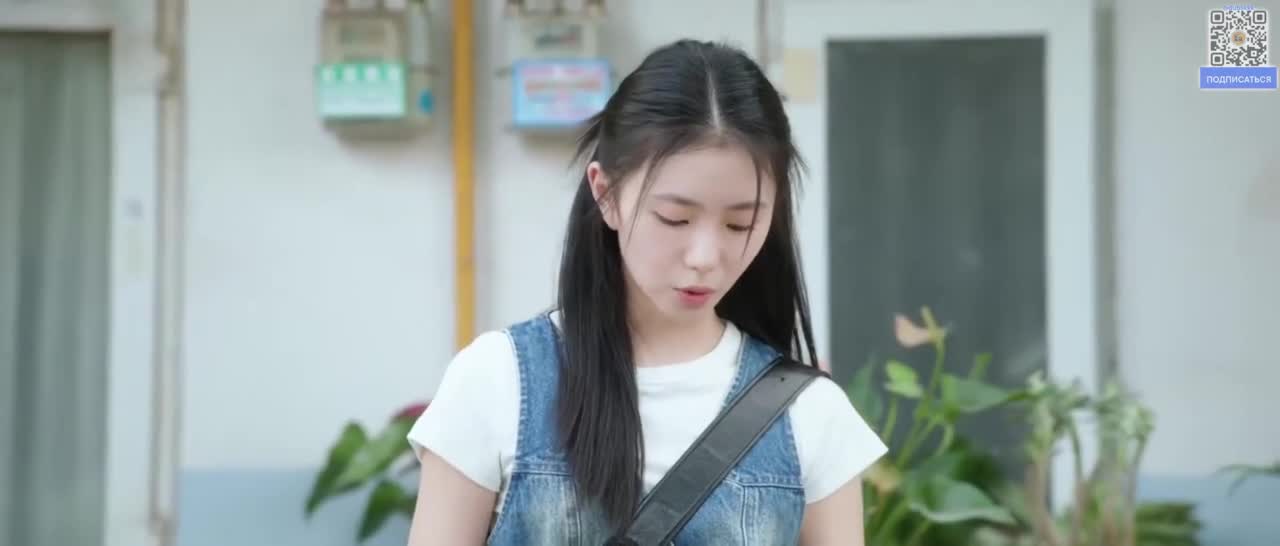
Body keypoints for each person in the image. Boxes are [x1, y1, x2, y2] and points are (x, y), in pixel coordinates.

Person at [404, 39, 886, 545]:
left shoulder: (811, 415)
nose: (705, 256)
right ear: (605, 194)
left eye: (739, 223)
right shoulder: (497, 381)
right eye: (674, 218)